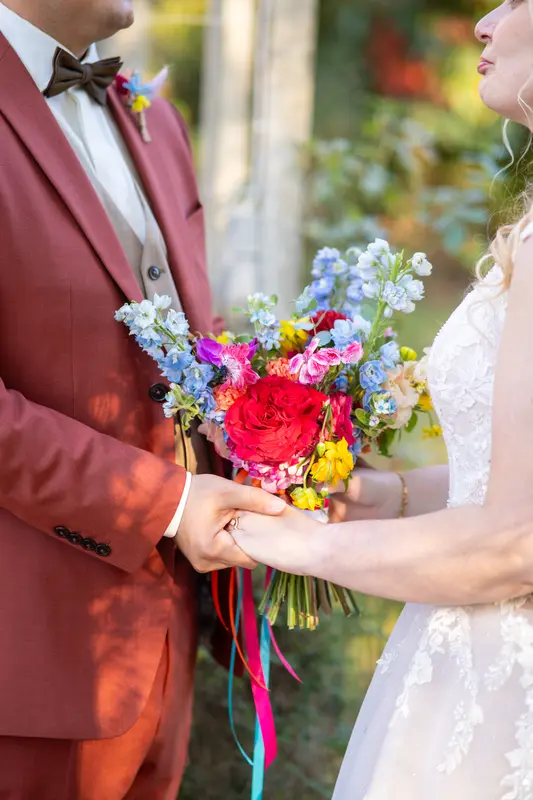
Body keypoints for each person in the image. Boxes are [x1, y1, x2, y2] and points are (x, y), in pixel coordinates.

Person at [231, 1, 533, 797]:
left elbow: (516, 540)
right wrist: (389, 494)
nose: (483, 24)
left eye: (512, 0)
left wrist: (297, 546)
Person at [0, 1, 286, 797]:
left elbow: (186, 331)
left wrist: (287, 435)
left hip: (167, 636)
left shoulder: (152, 113)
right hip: (26, 652)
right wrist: (162, 505)